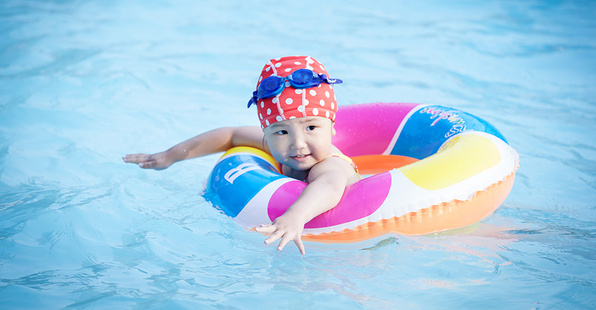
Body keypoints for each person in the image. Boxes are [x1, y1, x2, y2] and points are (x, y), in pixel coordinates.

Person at [123, 56, 360, 255]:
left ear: (332, 127)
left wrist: (295, 216)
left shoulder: (329, 166)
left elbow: (329, 185)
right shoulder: (276, 147)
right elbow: (232, 134)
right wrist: (170, 156)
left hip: (351, 238)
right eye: (282, 131)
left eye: (311, 128)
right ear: (265, 133)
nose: (297, 144)